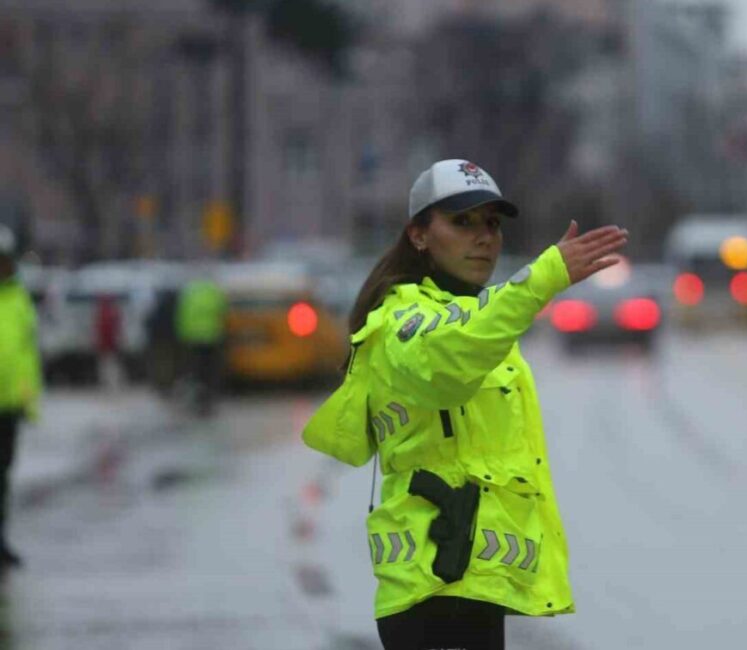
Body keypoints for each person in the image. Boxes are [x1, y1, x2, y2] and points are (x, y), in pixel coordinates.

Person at [303, 159, 628, 649]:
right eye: (462, 222)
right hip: (432, 589)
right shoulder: (401, 320)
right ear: (418, 235)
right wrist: (541, 278)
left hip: (474, 581)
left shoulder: (478, 314)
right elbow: (448, 365)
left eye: (492, 224)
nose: (484, 237)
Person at [0, 224, 41, 569]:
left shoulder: (20, 300)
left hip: (10, 405)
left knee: (3, 476)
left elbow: (27, 355)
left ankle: (1, 540)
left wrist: (29, 400)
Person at [174, 274, 227, 414]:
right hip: (211, 337)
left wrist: (182, 336)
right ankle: (207, 397)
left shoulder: (189, 293)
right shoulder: (213, 292)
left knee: (195, 371)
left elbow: (181, 315)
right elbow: (222, 311)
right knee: (209, 371)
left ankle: (198, 395)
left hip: (192, 338)